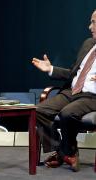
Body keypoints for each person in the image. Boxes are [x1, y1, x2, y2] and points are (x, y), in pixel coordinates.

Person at [32, 10, 96, 172]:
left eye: (94, 22)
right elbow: (72, 72)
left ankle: (64, 152)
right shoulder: (88, 43)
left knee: (68, 113)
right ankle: (63, 149)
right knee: (38, 111)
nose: (90, 27)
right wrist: (50, 69)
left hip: (91, 96)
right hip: (72, 91)